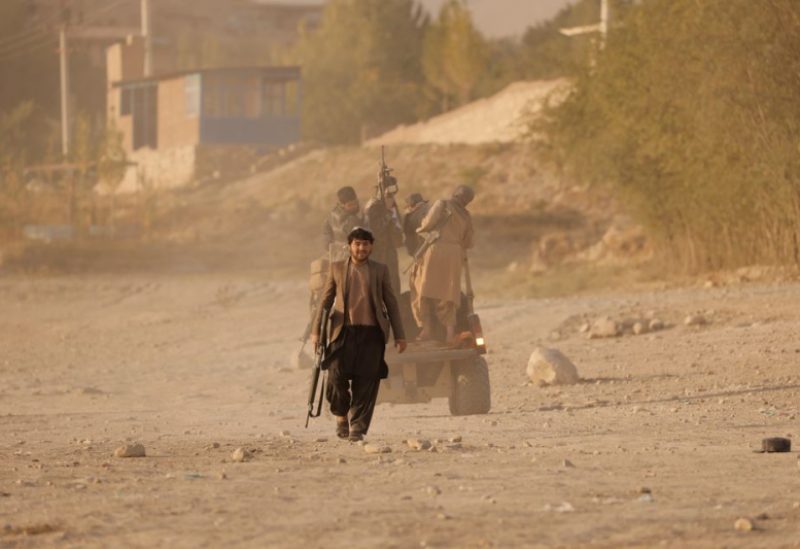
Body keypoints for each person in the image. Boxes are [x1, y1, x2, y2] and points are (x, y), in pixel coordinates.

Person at [311, 227, 407, 441]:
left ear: (371, 247)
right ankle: (341, 416)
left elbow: (391, 301)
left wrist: (400, 334)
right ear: (350, 246)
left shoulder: (380, 270)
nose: (361, 248)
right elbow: (325, 301)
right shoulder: (337, 269)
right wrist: (316, 331)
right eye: (357, 244)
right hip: (343, 332)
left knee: (367, 382)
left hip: (371, 334)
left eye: (365, 244)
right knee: (335, 376)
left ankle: (358, 428)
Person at [412, 185, 475, 343]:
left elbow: (427, 223)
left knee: (423, 289)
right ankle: (449, 334)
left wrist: (419, 229)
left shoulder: (442, 204)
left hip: (436, 249)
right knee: (448, 294)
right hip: (455, 255)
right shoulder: (467, 215)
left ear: (455, 193)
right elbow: (469, 241)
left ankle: (426, 330)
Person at [364, 190, 404, 294]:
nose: (391, 199)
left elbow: (399, 227)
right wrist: (387, 215)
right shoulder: (372, 207)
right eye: (388, 196)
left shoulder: (392, 207)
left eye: (392, 195)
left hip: (389, 250)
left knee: (393, 282)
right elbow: (374, 228)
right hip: (377, 251)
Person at [323, 186, 366, 261]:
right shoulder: (348, 218)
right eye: (350, 205)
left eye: (355, 203)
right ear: (342, 205)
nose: (354, 206)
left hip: (340, 257)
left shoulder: (333, 213)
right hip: (345, 259)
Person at [402, 193, 430, 257]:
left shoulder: (411, 217)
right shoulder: (429, 209)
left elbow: (408, 237)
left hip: (420, 249)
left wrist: (406, 216)